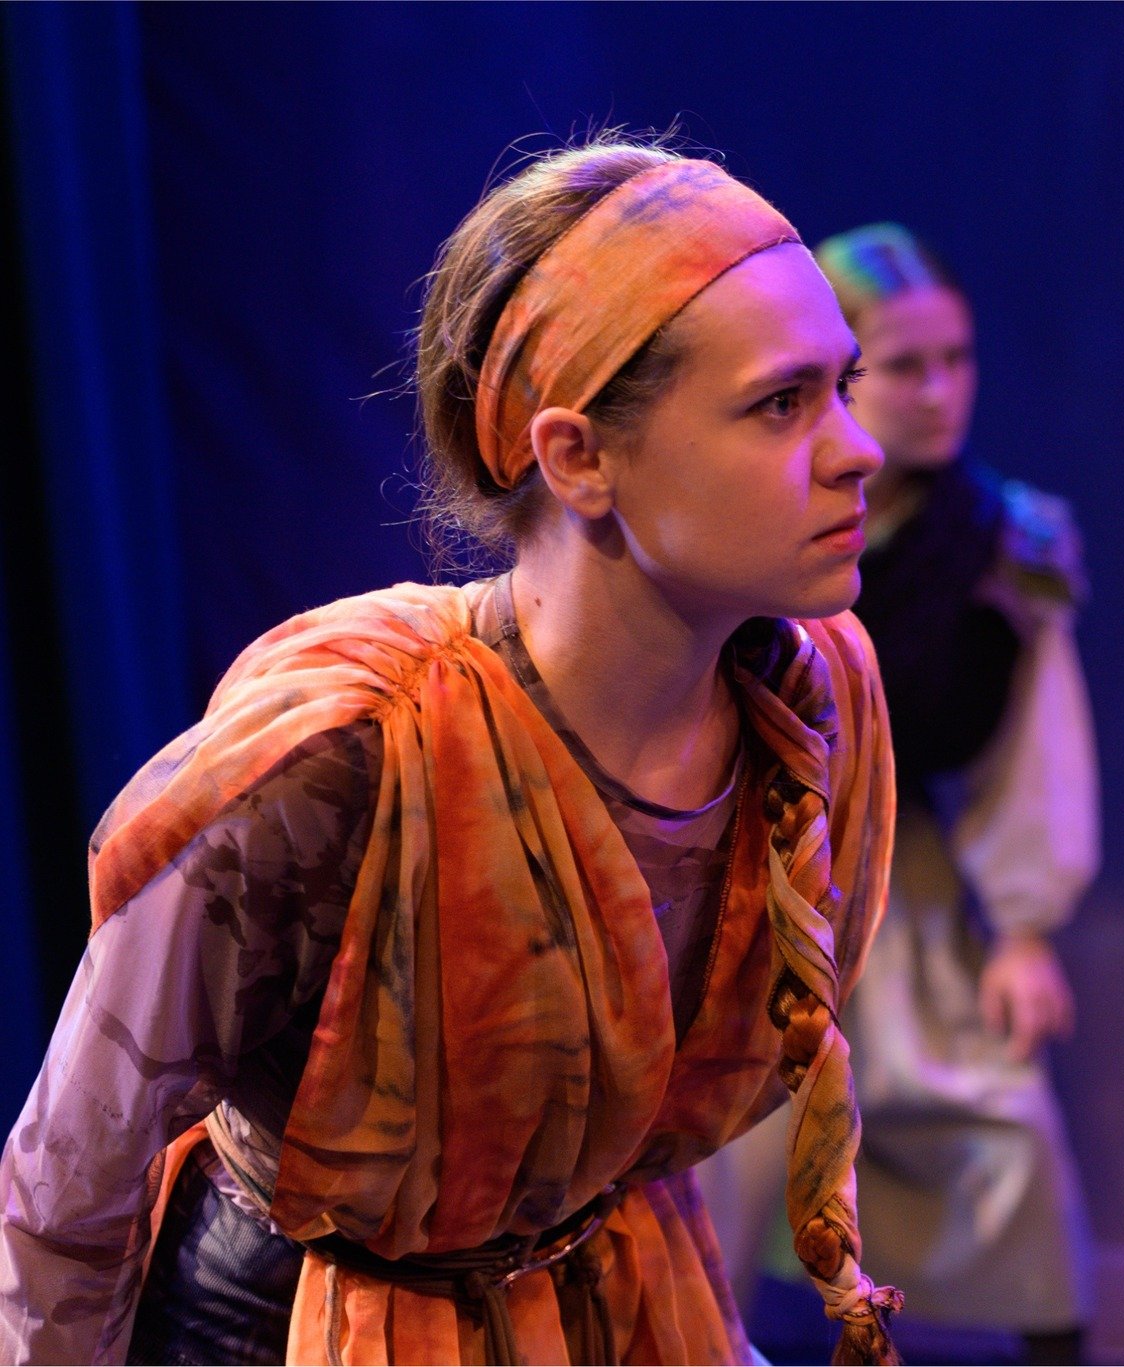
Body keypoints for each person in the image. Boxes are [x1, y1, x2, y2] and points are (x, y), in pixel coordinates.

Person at [0, 141, 904, 1366]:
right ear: (577, 456)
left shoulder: (816, 698)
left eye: (844, 386)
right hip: (290, 1324)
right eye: (780, 403)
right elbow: (71, 1178)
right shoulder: (347, 753)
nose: (857, 447)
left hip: (614, 1295)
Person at [702, 224, 1098, 1365]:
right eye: (906, 366)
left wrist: (1023, 928)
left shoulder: (1004, 541)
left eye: (956, 360)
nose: (940, 392)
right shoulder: (757, 523)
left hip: (904, 874)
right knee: (721, 1145)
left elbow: (1035, 748)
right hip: (751, 869)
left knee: (996, 1124)